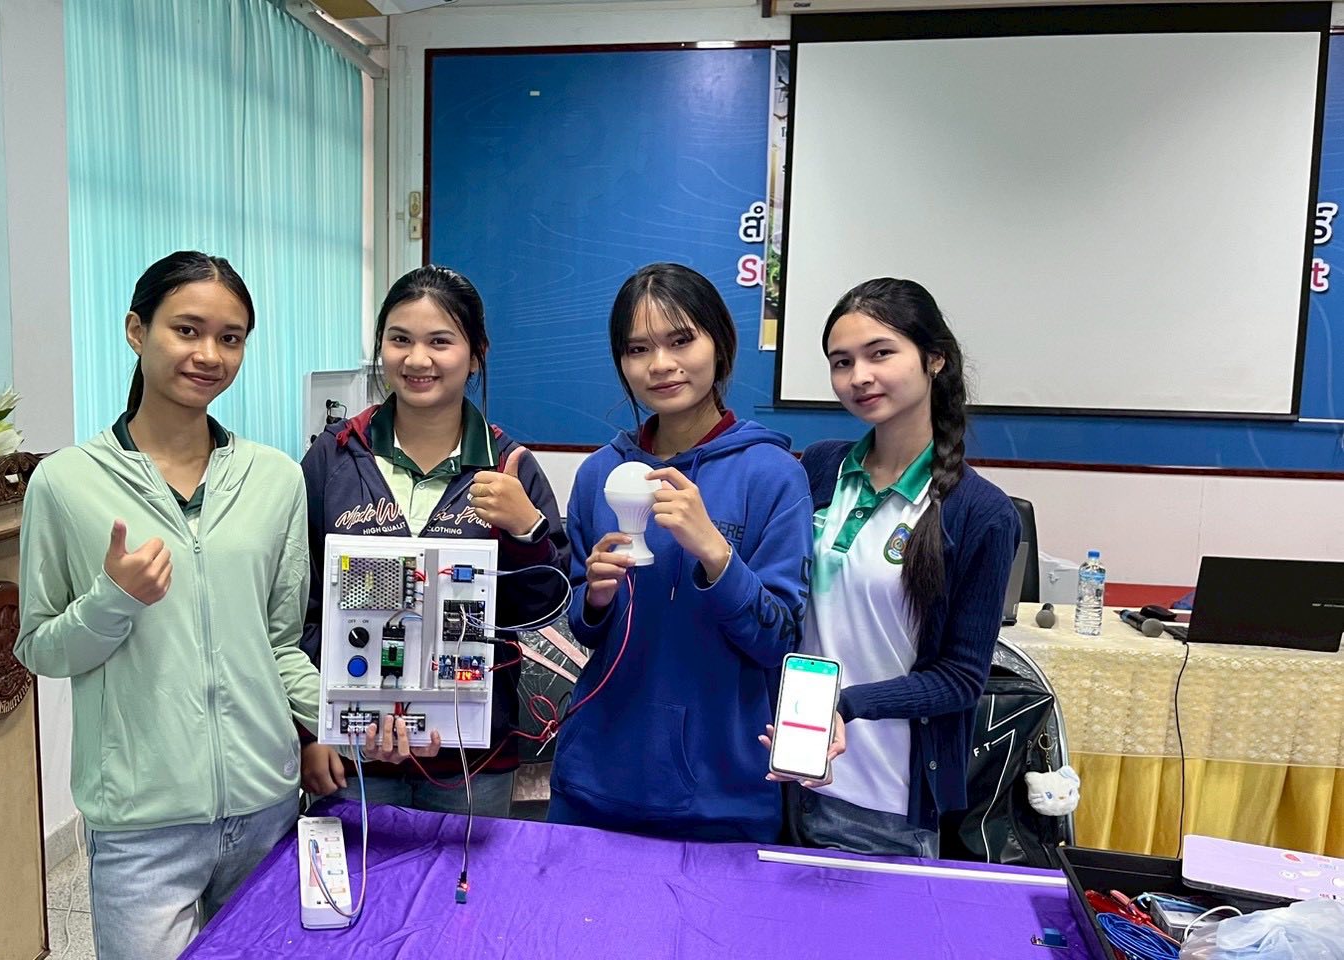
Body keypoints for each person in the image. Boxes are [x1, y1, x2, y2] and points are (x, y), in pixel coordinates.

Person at [14, 251, 422, 960]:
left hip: (266, 807)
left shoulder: (273, 479)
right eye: (187, 330)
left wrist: (346, 720)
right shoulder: (66, 483)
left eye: (230, 338)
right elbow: (41, 647)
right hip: (142, 825)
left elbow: (279, 643)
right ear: (136, 331)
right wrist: (113, 600)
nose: (209, 354)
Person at [548, 262, 814, 844]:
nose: (660, 364)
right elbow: (585, 630)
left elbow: (779, 640)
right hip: (594, 781)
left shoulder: (773, 475)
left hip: (720, 798)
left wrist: (716, 553)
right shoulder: (600, 474)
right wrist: (594, 598)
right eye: (638, 349)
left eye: (681, 340)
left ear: (720, 343)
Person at [299, 265, 569, 816]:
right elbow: (299, 606)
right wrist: (309, 728)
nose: (417, 360)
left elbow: (544, 607)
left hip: (470, 760)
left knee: (465, 875)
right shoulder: (334, 456)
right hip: (352, 750)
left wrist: (526, 530)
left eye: (440, 342)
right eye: (400, 339)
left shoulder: (509, 466)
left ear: (476, 354)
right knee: (358, 875)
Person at [766, 277, 1019, 859]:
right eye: (841, 362)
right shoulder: (820, 468)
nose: (859, 376)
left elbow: (960, 680)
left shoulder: (981, 513)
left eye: (880, 353)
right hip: (779, 774)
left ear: (935, 358)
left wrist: (844, 705)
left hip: (881, 800)